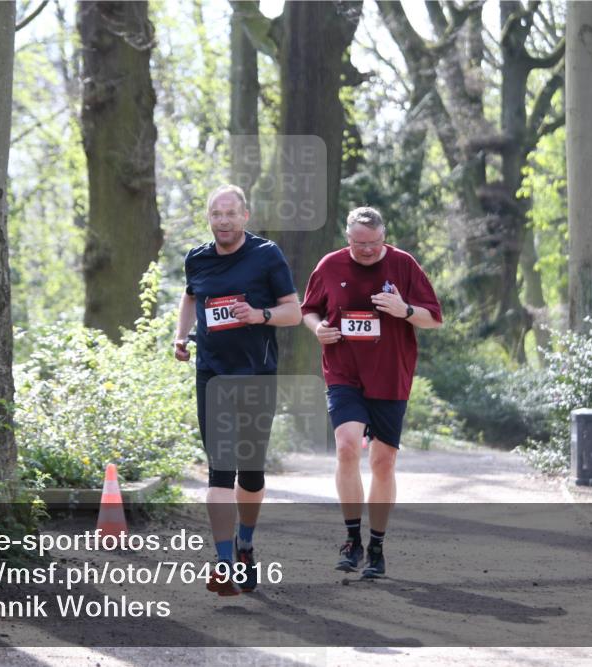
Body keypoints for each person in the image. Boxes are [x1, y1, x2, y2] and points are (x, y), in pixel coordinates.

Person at [301, 206, 442, 578]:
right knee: (347, 446)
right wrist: (318, 330)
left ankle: (376, 546)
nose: (365, 250)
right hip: (343, 372)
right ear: (347, 238)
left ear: (384, 236)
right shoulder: (329, 265)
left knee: (383, 462)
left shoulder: (404, 265)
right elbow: (308, 311)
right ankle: (351, 540)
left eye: (373, 243)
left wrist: (404, 309)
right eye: (358, 243)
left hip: (390, 375)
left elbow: (433, 319)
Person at [174, 184, 301, 596]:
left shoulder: (267, 255)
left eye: (230, 213)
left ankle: (245, 543)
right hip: (212, 375)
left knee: (250, 473)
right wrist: (181, 336)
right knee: (220, 470)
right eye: (215, 214)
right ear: (208, 218)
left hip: (257, 375)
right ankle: (224, 559)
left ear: (245, 216)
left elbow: (293, 312)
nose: (223, 220)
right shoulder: (197, 258)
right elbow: (191, 295)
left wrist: (259, 314)